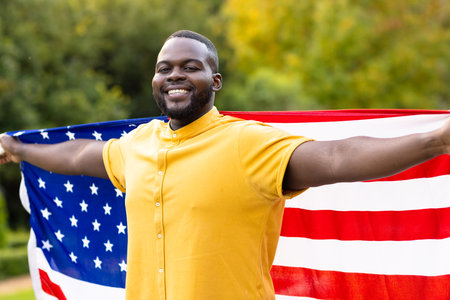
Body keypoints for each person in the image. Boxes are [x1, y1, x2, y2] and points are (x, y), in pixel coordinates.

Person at [0, 30, 449, 300]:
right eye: (164, 68)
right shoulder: (136, 145)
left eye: (189, 66)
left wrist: (437, 138)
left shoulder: (247, 143)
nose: (174, 74)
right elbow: (78, 155)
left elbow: (335, 157)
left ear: (214, 82)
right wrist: (19, 150)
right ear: (155, 81)